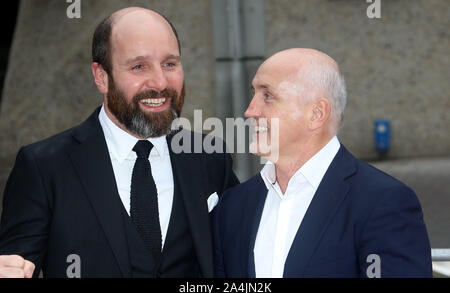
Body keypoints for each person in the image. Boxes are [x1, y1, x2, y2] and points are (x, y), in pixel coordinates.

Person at [0, 7, 238, 278]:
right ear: (101, 77)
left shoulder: (209, 158)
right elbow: (14, 268)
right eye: (139, 67)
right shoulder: (43, 167)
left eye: (170, 64)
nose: (160, 82)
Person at [213, 48, 432, 278]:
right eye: (254, 94)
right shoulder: (233, 205)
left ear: (316, 113)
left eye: (267, 96)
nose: (250, 111)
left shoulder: (383, 203)